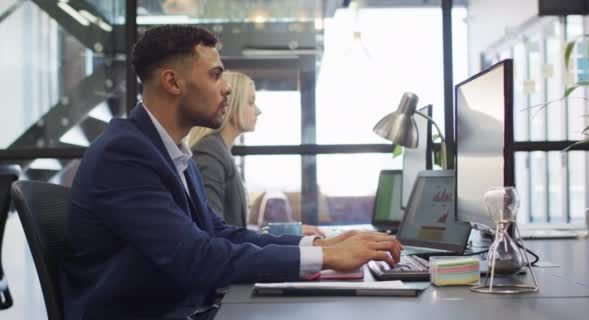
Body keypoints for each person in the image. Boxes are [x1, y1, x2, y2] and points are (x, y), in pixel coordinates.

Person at [61, 25, 401, 320]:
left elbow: (220, 233)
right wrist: (324, 257)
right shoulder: (125, 154)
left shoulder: (171, 150)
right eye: (215, 74)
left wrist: (314, 244)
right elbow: (197, 258)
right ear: (172, 82)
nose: (226, 87)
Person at [187, 71, 324, 237]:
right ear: (230, 105)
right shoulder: (209, 152)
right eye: (251, 102)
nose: (258, 111)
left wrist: (288, 232)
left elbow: (232, 231)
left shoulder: (221, 151)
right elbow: (214, 234)